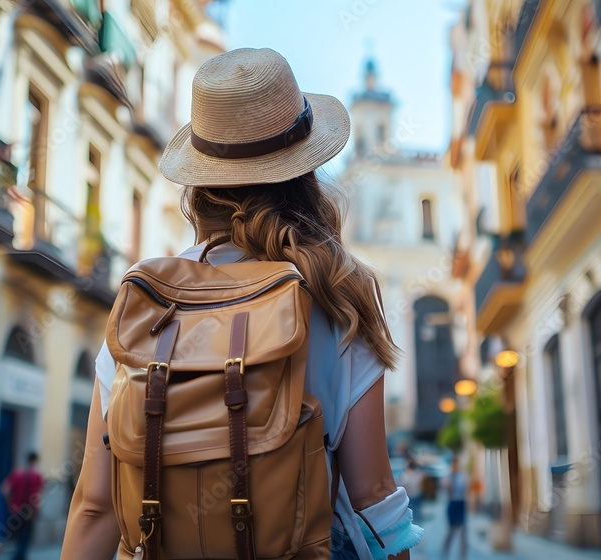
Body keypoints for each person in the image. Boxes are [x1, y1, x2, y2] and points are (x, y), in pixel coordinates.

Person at [61, 47, 424, 559]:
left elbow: (95, 508)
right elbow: (374, 495)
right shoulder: (337, 296)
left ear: (200, 180)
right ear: (305, 172)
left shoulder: (143, 307)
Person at [1, 451, 44, 560]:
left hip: (16, 510)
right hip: (29, 512)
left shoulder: (17, 473)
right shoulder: (37, 476)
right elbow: (38, 496)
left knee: (18, 537)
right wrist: (36, 511)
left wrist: (10, 505)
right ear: (35, 460)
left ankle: (18, 556)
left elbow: (5, 489)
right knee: (25, 539)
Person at [442, 455, 468, 559]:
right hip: (453, 504)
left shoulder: (463, 476)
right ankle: (445, 553)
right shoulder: (448, 477)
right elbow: (447, 490)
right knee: (451, 531)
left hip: (461, 503)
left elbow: (466, 489)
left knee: (463, 532)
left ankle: (462, 556)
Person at [397, 458, 425, 524]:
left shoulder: (405, 475)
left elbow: (401, 485)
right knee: (417, 511)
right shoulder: (420, 474)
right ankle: (418, 523)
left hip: (410, 497)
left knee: (411, 513)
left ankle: (414, 523)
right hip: (418, 496)